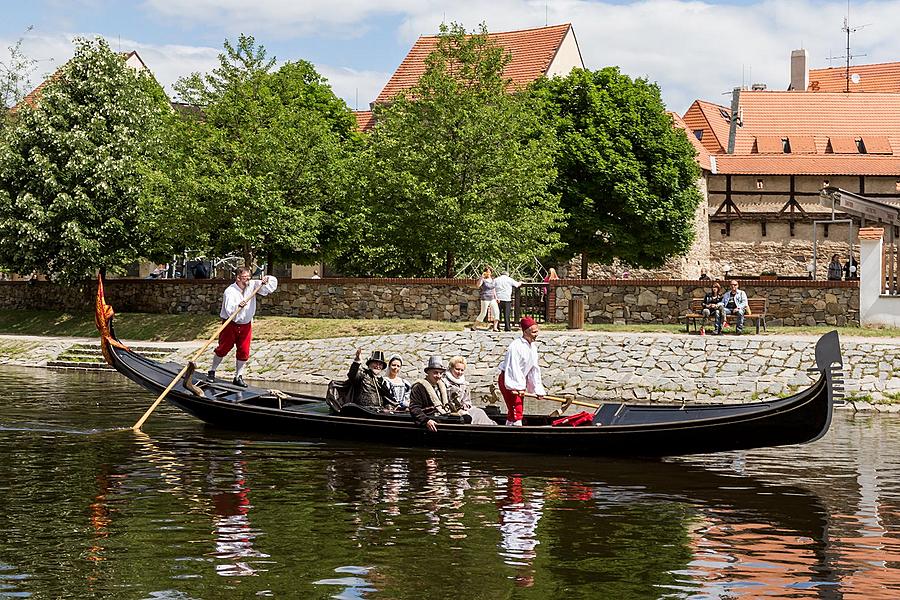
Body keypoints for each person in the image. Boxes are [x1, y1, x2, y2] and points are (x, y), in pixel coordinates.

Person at [208, 267, 278, 387]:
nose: (248, 279)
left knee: (244, 350)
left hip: (246, 324)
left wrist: (267, 279)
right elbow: (230, 311)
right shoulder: (230, 291)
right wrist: (238, 307)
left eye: (249, 277)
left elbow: (270, 286)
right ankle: (212, 371)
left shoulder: (252, 285)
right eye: (245, 277)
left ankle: (238, 376)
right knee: (223, 348)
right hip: (230, 324)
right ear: (238, 278)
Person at [497, 316, 546, 426]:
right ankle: (516, 428)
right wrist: (517, 387)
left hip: (518, 380)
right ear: (526, 332)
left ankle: (509, 427)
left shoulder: (532, 347)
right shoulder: (515, 346)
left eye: (537, 331)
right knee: (516, 409)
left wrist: (537, 390)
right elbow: (513, 367)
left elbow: (534, 369)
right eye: (534, 332)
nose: (536, 334)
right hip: (509, 379)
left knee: (515, 410)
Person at [443, 356, 494, 425]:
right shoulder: (444, 382)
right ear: (451, 368)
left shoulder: (464, 384)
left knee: (479, 412)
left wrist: (465, 406)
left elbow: (467, 401)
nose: (459, 372)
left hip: (463, 410)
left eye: (462, 370)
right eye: (457, 369)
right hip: (451, 412)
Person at [409, 356, 451, 432]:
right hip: (430, 420)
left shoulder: (443, 386)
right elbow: (414, 408)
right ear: (428, 372)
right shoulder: (418, 387)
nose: (438, 376)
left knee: (465, 418)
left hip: (444, 416)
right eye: (435, 373)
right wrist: (426, 420)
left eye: (440, 373)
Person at [474, 267, 500, 331]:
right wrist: (481, 277)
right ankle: (474, 326)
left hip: (492, 298)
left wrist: (496, 297)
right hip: (485, 298)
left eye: (489, 272)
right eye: (487, 272)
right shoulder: (483, 279)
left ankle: (495, 327)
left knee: (496, 312)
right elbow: (478, 285)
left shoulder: (493, 280)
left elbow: (493, 289)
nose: (488, 273)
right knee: (483, 313)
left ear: (491, 273)